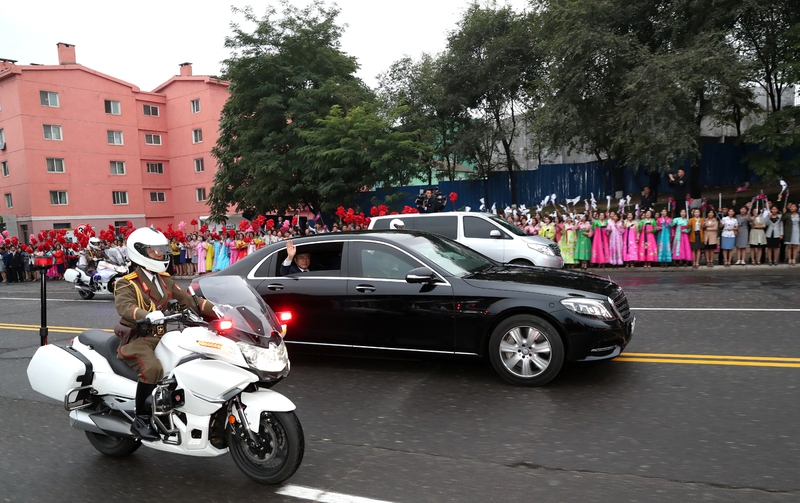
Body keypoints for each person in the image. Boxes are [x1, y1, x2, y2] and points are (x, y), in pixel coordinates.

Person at [114, 227, 216, 441]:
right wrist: (147, 315)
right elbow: (125, 307)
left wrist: (217, 309)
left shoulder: (165, 280)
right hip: (138, 339)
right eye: (155, 251)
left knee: (192, 360)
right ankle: (140, 420)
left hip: (163, 336)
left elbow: (189, 301)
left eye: (162, 250)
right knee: (153, 369)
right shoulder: (127, 282)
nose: (161, 255)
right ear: (139, 252)